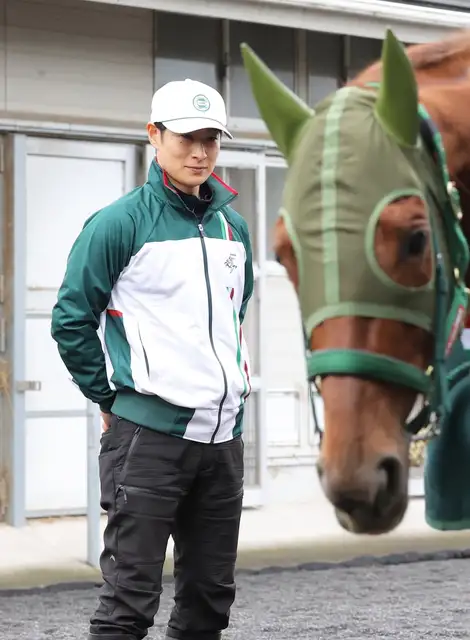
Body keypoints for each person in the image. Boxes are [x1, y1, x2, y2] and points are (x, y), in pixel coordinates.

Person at [50, 78, 254, 640]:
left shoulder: (233, 228)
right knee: (129, 604)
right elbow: (71, 319)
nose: (200, 152)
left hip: (223, 441)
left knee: (209, 602)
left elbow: (235, 316)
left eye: (211, 139)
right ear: (154, 136)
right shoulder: (119, 224)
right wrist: (108, 397)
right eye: (186, 138)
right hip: (148, 441)